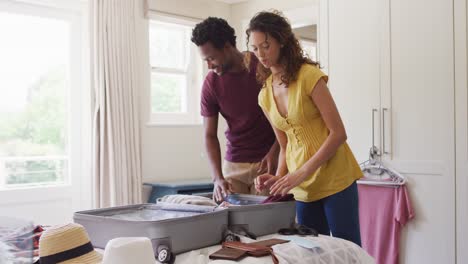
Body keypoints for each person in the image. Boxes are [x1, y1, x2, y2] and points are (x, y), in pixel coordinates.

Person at [247, 11, 363, 245]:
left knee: (348, 251)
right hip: (301, 188)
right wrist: (279, 178)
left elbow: (338, 133)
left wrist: (301, 172)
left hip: (335, 177)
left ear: (281, 41)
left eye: (266, 46)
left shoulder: (309, 76)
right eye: (255, 48)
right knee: (311, 253)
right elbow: (285, 143)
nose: (261, 54)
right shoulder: (264, 95)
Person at [191, 17, 279, 202]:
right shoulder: (211, 83)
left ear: (227, 47)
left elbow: (288, 118)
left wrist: (276, 150)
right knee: (230, 226)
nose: (209, 65)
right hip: (233, 166)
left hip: (267, 162)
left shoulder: (263, 67)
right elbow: (209, 135)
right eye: (205, 60)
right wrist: (217, 178)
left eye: (211, 58)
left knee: (264, 225)